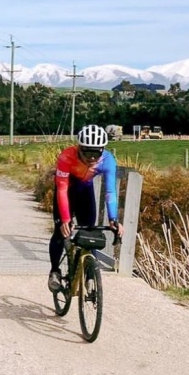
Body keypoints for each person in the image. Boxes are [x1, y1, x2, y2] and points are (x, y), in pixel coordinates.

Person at [47, 124, 125, 292]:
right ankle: (55, 271)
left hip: (85, 192)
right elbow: (61, 189)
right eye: (87, 153)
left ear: (103, 150)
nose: (91, 158)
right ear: (79, 148)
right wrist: (65, 220)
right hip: (66, 192)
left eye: (96, 153)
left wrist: (113, 219)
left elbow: (110, 191)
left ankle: (90, 275)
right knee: (60, 232)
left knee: (90, 232)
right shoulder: (66, 157)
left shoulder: (108, 160)